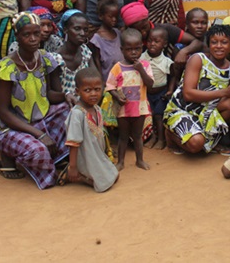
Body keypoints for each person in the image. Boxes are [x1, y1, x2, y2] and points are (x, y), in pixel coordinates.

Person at [0, 12, 71, 189]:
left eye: (36, 33)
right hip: (10, 128)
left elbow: (49, 95)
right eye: (26, 35)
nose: (33, 39)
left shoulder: (45, 58)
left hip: (38, 120)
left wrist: (66, 96)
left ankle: (55, 157)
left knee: (72, 112)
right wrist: (39, 134)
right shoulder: (7, 68)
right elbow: (3, 112)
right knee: (37, 151)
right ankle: (12, 155)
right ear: (17, 37)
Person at [164, 24, 230, 154]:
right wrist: (224, 92)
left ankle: (210, 139)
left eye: (224, 42)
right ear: (209, 44)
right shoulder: (198, 59)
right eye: (214, 42)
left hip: (206, 112)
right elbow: (188, 94)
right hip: (183, 110)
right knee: (196, 145)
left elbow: (228, 99)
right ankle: (171, 134)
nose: (219, 46)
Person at [61, 67, 119, 192]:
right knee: (104, 185)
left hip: (96, 155)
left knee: (115, 176)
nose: (93, 94)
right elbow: (73, 143)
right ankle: (79, 176)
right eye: (87, 90)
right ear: (78, 91)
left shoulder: (97, 109)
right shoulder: (77, 114)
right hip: (85, 158)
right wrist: (73, 167)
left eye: (97, 89)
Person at [106, 29, 154, 171]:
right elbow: (109, 85)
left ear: (142, 48)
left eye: (137, 49)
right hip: (123, 109)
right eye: (129, 49)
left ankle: (140, 160)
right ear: (122, 50)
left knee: (138, 136)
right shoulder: (117, 67)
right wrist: (117, 96)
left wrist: (141, 70)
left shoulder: (145, 65)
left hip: (140, 108)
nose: (133, 52)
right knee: (123, 136)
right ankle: (120, 162)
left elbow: (150, 84)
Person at [121, 0, 204, 67]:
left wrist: (183, 52)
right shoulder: (126, 39)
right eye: (138, 30)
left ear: (148, 20)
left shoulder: (165, 29)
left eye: (144, 27)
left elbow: (196, 42)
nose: (143, 33)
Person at [141, 27, 175, 150]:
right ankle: (152, 137)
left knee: (158, 115)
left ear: (164, 44)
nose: (152, 44)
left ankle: (161, 139)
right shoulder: (141, 58)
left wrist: (170, 90)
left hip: (161, 92)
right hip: (146, 92)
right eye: (150, 41)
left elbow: (172, 77)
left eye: (156, 41)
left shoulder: (167, 62)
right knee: (148, 116)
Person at [57, 10, 97, 97]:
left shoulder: (86, 52)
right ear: (65, 30)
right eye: (77, 29)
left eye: (85, 30)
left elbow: (96, 80)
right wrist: (66, 96)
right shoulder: (56, 59)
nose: (82, 33)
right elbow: (53, 94)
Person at [88, 0, 123, 81]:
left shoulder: (118, 33)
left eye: (116, 16)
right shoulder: (97, 39)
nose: (114, 19)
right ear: (101, 16)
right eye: (110, 16)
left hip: (122, 79)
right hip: (107, 81)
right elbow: (97, 62)